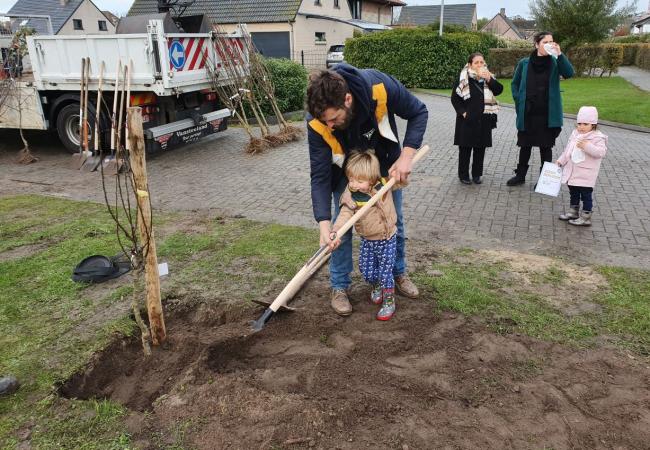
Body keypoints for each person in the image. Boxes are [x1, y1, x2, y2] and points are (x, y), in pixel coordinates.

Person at [306, 64, 428, 316]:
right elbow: (319, 175)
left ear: (347, 100)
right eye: (324, 121)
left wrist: (406, 155)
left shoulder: (379, 87)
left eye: (333, 119)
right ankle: (339, 287)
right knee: (341, 230)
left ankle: (398, 273)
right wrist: (323, 224)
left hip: (383, 165)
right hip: (345, 173)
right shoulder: (318, 122)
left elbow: (418, 111)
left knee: (395, 223)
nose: (330, 126)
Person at [330, 151, 399, 320]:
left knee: (385, 272)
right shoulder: (352, 196)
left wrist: (401, 174)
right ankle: (376, 286)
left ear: (372, 178)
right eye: (351, 179)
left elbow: (401, 182)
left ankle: (389, 300)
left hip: (387, 238)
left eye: (359, 181)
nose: (354, 184)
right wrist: (336, 230)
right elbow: (345, 214)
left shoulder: (384, 185)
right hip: (368, 240)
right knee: (366, 270)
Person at [507, 31, 575, 187]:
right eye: (545, 42)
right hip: (528, 113)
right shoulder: (524, 63)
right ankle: (520, 175)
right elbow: (514, 84)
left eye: (551, 41)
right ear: (537, 44)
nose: (549, 44)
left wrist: (560, 54)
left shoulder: (555, 61)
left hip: (547, 115)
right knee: (525, 146)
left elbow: (569, 73)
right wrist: (518, 100)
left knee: (546, 147)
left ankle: (545, 180)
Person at [451, 52, 503, 184]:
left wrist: (489, 79)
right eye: (476, 62)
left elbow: (498, 90)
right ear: (470, 65)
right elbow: (455, 99)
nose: (480, 65)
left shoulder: (488, 77)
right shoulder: (463, 78)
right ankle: (463, 175)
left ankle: (476, 175)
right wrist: (463, 113)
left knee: (480, 148)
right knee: (465, 148)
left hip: (484, 119)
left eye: (482, 62)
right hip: (467, 120)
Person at [556, 106, 607, 226]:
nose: (581, 127)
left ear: (593, 125)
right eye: (579, 123)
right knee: (573, 192)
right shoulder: (575, 134)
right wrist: (560, 161)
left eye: (585, 124)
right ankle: (573, 211)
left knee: (586, 195)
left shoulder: (598, 137)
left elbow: (601, 152)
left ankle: (586, 216)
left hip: (586, 174)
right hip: (572, 172)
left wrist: (587, 146)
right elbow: (567, 150)